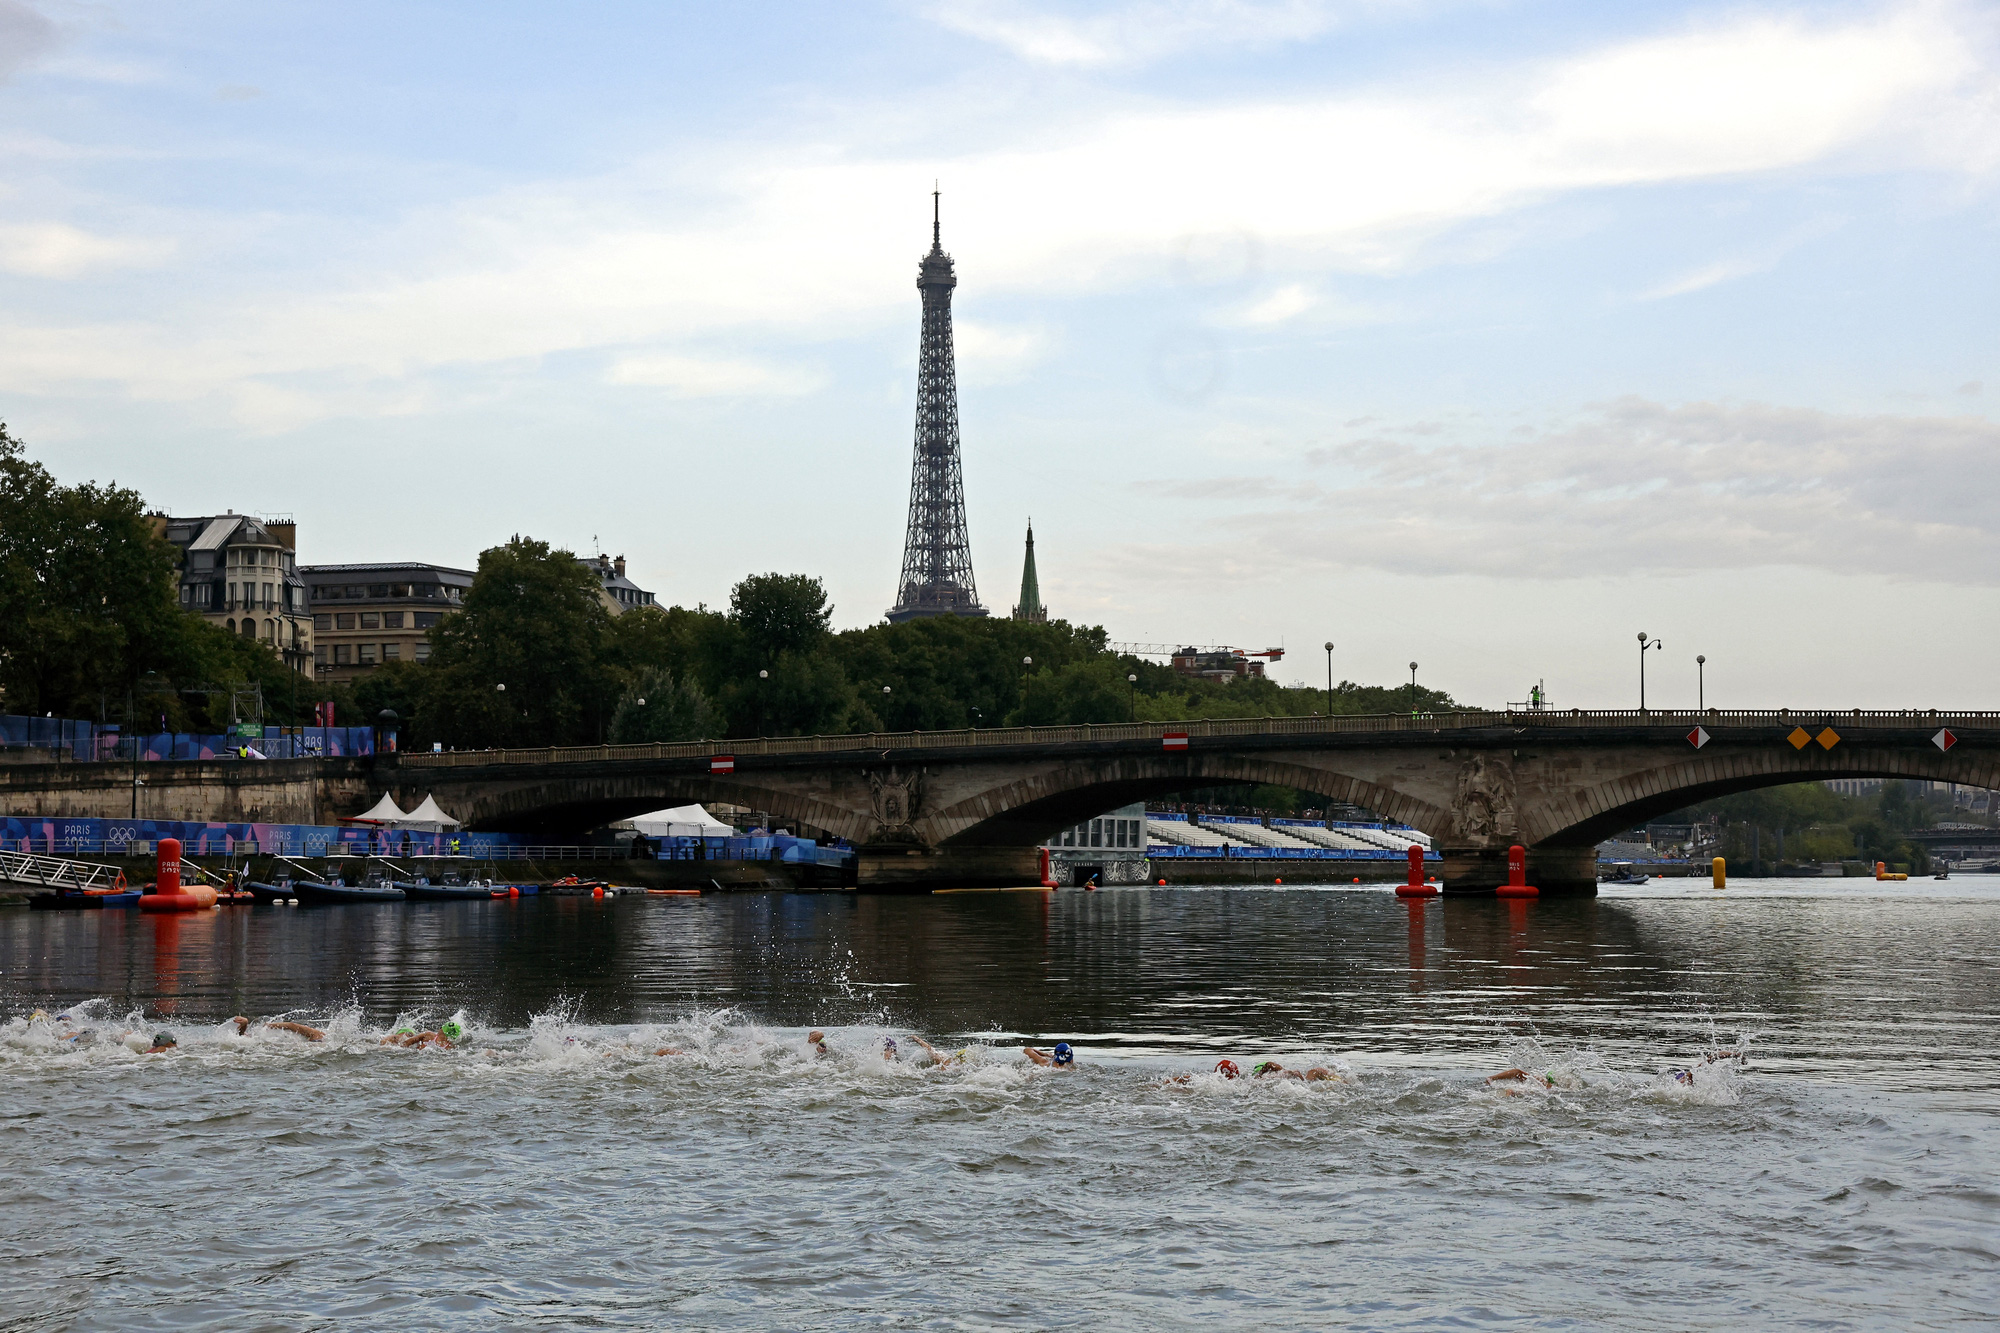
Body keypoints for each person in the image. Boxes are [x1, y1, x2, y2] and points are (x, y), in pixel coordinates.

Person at [232, 1015, 326, 1042]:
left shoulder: (319, 1035)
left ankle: (243, 1026)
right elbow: (291, 1026)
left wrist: (268, 1026)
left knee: (250, 1039)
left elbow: (291, 1025)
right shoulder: (320, 1035)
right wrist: (268, 1026)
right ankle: (243, 1026)